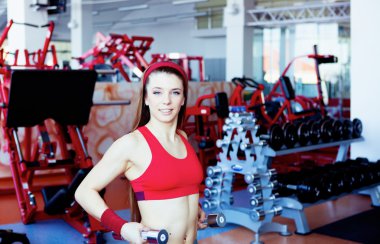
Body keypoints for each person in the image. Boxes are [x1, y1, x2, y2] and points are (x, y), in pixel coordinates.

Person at [75, 61, 207, 243]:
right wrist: (121, 227)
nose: (166, 101)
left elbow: (180, 188)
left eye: (175, 92)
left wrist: (193, 209)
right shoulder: (132, 144)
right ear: (146, 98)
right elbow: (83, 192)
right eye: (157, 92)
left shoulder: (182, 137)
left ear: (183, 99)